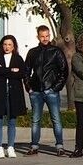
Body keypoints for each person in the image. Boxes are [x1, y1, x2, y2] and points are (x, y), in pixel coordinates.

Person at [24, 26, 68, 157]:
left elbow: (64, 71)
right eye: (42, 36)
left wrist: (55, 88)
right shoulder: (32, 52)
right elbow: (26, 71)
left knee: (56, 119)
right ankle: (34, 146)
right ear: (38, 37)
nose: (45, 38)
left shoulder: (56, 51)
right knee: (36, 120)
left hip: (51, 90)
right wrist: (29, 87)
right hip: (36, 91)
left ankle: (59, 146)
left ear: (50, 36)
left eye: (47, 36)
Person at [0, 35, 27, 159]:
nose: (7, 47)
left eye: (9, 45)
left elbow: (21, 73)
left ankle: (11, 146)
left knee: (12, 120)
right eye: (5, 44)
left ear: (14, 46)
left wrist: (6, 71)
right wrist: (11, 70)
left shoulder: (18, 58)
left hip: (14, 92)